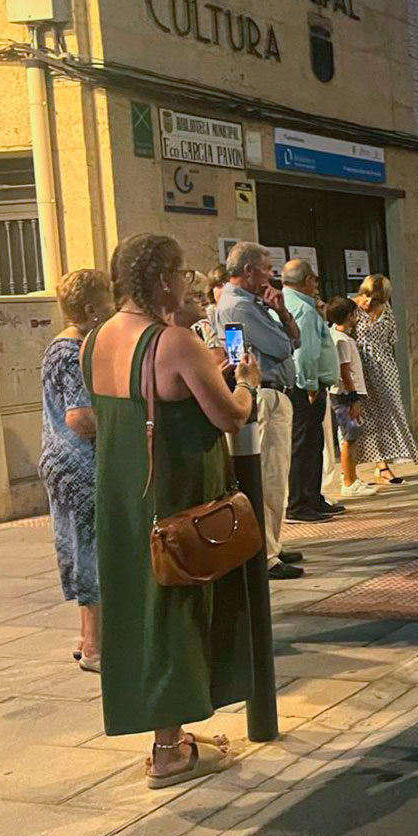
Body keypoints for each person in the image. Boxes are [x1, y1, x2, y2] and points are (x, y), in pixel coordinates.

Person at [85, 233, 260, 787]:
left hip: (121, 497)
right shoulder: (174, 341)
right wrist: (247, 385)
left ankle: (172, 734)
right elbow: (229, 416)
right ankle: (170, 750)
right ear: (163, 280)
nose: (188, 284)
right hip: (177, 496)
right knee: (176, 613)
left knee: (139, 612)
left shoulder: (97, 339)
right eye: (182, 274)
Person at [218, 242, 307, 579]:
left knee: (277, 474)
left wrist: (282, 313)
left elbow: (294, 339)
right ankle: (266, 553)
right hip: (265, 395)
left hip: (277, 393)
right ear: (248, 270)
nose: (271, 275)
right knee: (269, 475)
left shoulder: (257, 304)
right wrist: (282, 329)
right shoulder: (238, 307)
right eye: (267, 268)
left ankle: (273, 540)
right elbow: (283, 346)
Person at [41, 268, 114, 672]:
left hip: (66, 463)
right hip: (79, 466)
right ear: (91, 309)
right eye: (108, 300)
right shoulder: (71, 352)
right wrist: (124, 422)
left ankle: (92, 638)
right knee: (91, 552)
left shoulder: (65, 345)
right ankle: (94, 648)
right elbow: (80, 418)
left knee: (83, 548)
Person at [282, 259, 343, 522]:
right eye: (315, 280)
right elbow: (305, 352)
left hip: (307, 385)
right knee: (305, 445)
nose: (317, 286)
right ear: (307, 281)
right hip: (307, 387)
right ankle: (299, 503)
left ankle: (312, 497)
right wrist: (309, 384)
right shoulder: (304, 310)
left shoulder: (290, 303)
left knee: (312, 443)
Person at [352, 274, 418, 485]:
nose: (370, 302)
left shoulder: (387, 311)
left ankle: (383, 466)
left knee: (390, 413)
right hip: (359, 367)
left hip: (384, 368)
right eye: (367, 295)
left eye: (376, 298)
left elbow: (392, 339)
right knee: (363, 417)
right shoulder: (351, 307)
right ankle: (353, 469)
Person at [326, 296, 374, 498]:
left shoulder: (339, 337)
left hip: (347, 394)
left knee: (352, 436)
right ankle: (349, 481)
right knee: (349, 437)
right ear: (348, 317)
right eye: (354, 314)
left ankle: (352, 476)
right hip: (345, 395)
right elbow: (345, 371)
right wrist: (354, 397)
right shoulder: (341, 341)